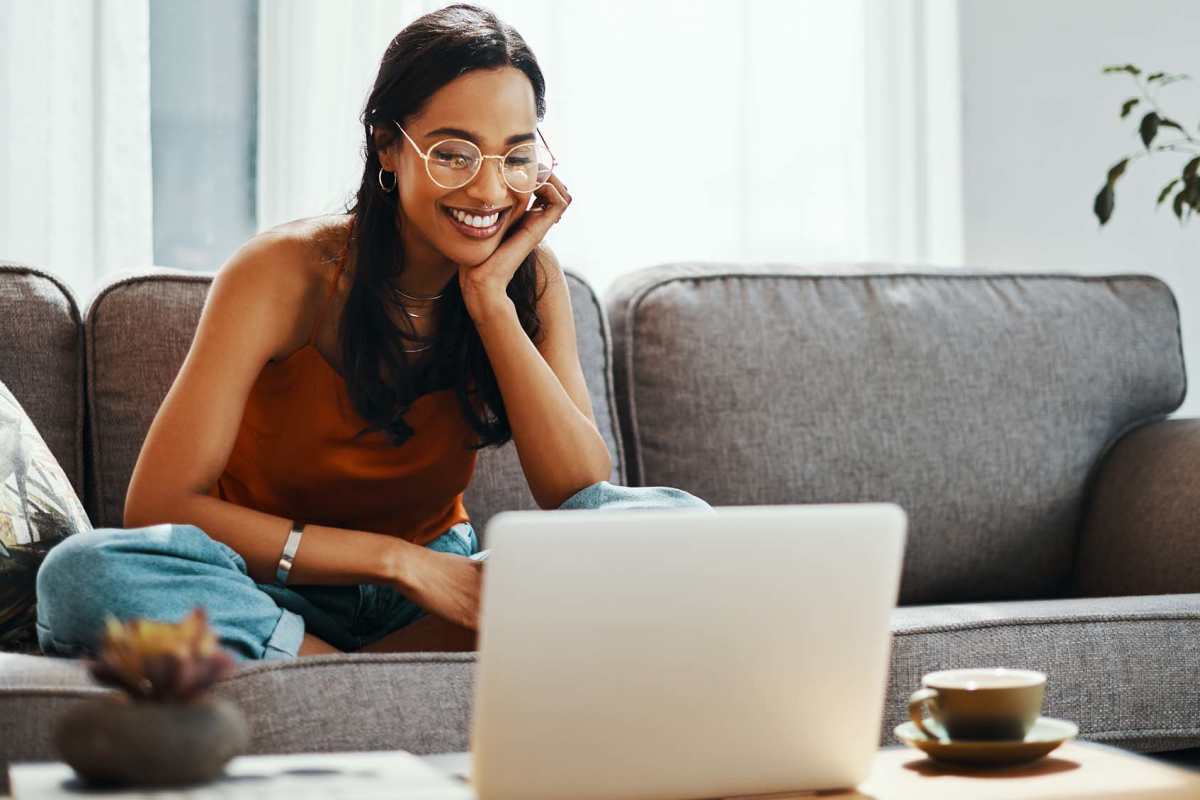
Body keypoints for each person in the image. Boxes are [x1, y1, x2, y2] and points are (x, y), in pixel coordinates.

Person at [35, 3, 710, 662]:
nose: (488, 191)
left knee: (677, 526)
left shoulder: (525, 278)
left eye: (515, 158)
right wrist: (396, 562)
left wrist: (489, 302)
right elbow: (159, 502)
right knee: (81, 574)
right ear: (388, 146)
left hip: (442, 597)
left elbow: (578, 489)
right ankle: (333, 668)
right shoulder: (283, 273)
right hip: (268, 585)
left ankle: (328, 666)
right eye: (454, 154)